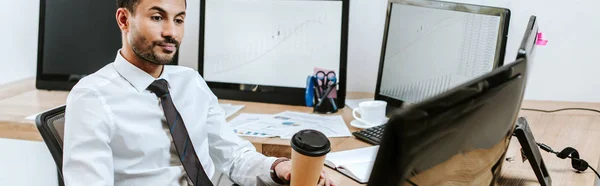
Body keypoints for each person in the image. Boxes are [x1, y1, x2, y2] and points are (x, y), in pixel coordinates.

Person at [62, 0, 335, 185]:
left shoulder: (189, 81)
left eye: (179, 20)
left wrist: (277, 167)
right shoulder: (91, 98)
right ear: (124, 19)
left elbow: (234, 156)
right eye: (157, 17)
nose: (171, 32)